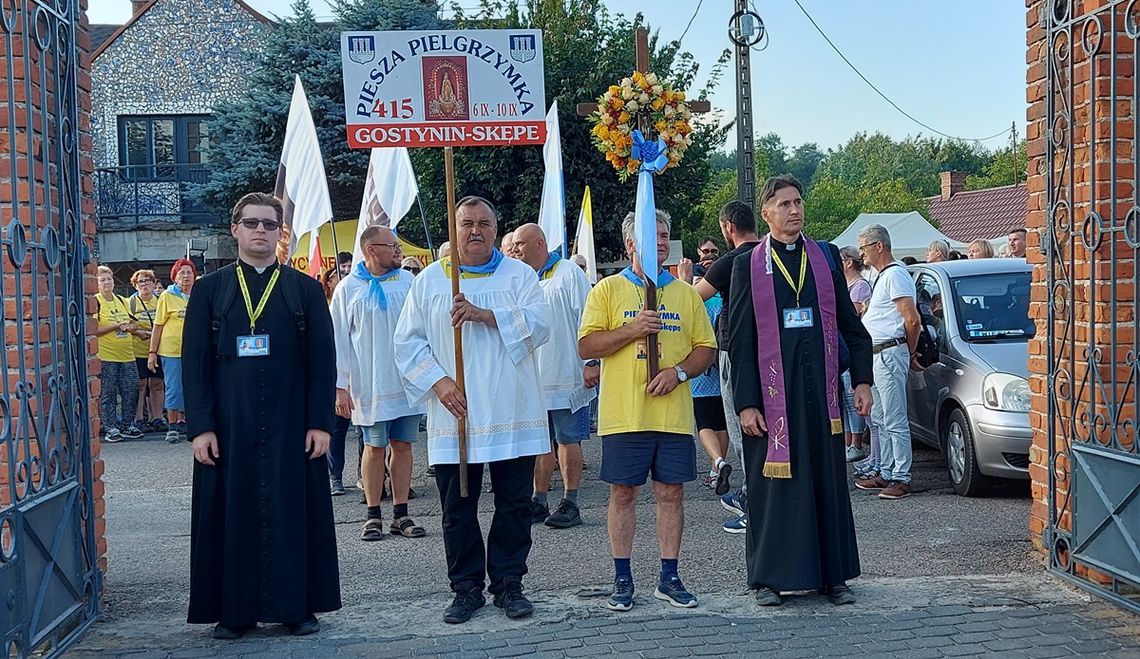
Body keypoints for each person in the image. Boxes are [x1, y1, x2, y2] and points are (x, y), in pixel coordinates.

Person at [182, 192, 340, 639]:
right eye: (251, 223)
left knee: (294, 513)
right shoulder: (211, 291)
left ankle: (297, 607)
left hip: (292, 426)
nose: (260, 232)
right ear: (235, 229)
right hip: (230, 428)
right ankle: (234, 612)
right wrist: (201, 428)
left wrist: (319, 424)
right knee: (231, 516)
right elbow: (194, 364)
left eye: (269, 225)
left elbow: (322, 363)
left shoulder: (303, 289)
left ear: (279, 233)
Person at [394, 195, 550, 624]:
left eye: (484, 222)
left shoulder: (519, 275)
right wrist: (439, 382)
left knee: (514, 503)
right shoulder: (430, 281)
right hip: (456, 411)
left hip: (511, 410)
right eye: (467, 223)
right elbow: (406, 343)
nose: (476, 230)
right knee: (458, 507)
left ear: (496, 230)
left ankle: (508, 583)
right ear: (454, 229)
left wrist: (486, 314)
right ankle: (466, 588)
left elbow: (541, 326)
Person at [726, 175, 873, 607]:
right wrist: (747, 403)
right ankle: (769, 580)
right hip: (774, 401)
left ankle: (833, 576)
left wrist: (862, 380)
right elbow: (739, 339)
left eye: (798, 202)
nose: (795, 210)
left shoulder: (825, 258)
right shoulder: (746, 265)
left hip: (821, 395)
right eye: (785, 204)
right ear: (767, 213)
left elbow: (852, 327)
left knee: (826, 483)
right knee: (774, 489)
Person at [579, 209, 717, 612]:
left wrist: (678, 372)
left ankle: (669, 576)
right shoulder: (606, 290)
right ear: (630, 244)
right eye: (649, 234)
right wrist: (632, 330)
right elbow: (586, 347)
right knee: (623, 495)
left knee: (671, 494)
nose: (658, 241)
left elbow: (705, 349)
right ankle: (622, 578)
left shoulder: (685, 293)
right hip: (625, 415)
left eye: (663, 234)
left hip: (672, 415)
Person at [332, 225, 426, 541]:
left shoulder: (409, 282)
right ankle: (373, 514)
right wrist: (340, 386)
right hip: (369, 382)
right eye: (393, 246)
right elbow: (338, 339)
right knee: (374, 447)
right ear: (372, 249)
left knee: (403, 445)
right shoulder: (348, 288)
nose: (399, 252)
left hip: (406, 382)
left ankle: (401, 513)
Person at [511, 223, 597, 529]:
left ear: (539, 242)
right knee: (539, 442)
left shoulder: (568, 273)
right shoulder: (520, 279)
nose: (515, 249)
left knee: (567, 438)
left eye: (520, 244)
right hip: (532, 378)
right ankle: (539, 499)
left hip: (566, 371)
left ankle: (570, 500)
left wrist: (592, 361)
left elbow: (589, 317)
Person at [692, 200, 761, 535]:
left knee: (740, 429)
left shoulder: (728, 263)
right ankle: (754, 495)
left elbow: (694, 299)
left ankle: (754, 502)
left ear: (727, 227)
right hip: (771, 352)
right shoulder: (769, 255)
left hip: (734, 351)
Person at [854, 224, 922, 500]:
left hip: (889, 352)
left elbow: (912, 319)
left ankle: (901, 476)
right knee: (881, 418)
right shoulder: (884, 276)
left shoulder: (895, 275)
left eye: (864, 247)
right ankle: (889, 470)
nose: (862, 254)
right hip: (878, 354)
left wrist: (909, 351)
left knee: (894, 419)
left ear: (878, 246)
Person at [149, 259, 196, 444]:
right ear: (175, 277)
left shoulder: (199, 293)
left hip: (194, 350)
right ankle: (172, 425)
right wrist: (152, 352)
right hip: (172, 350)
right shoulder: (167, 296)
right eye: (181, 273)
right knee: (174, 387)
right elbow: (158, 325)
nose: (186, 276)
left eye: (189, 272)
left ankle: (188, 422)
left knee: (193, 386)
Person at [94, 266, 141, 442]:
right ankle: (110, 427)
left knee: (131, 391)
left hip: (127, 355)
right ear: (97, 283)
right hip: (107, 355)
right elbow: (94, 330)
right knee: (108, 393)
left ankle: (128, 425)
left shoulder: (122, 300)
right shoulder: (96, 302)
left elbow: (135, 323)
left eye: (109, 279)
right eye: (103, 280)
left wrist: (131, 327)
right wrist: (115, 326)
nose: (107, 282)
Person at [692, 292, 731, 495]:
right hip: (722, 368)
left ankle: (718, 461)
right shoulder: (722, 301)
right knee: (721, 423)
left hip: (700, 371)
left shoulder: (695, 301)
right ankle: (716, 471)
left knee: (704, 423)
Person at [838, 246, 872, 464]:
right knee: (846, 399)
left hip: (851, 346)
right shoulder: (849, 285)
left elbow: (853, 314)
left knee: (852, 400)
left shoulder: (859, 286)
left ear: (848, 262)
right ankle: (849, 441)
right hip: (843, 345)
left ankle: (856, 443)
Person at [129, 269, 165, 433]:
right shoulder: (131, 302)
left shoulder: (160, 300)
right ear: (135, 285)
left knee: (157, 383)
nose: (144, 284)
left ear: (153, 283)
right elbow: (126, 324)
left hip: (158, 348)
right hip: (137, 349)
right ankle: (139, 419)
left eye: (147, 281)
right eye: (140, 282)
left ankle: (157, 418)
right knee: (141, 384)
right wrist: (138, 332)